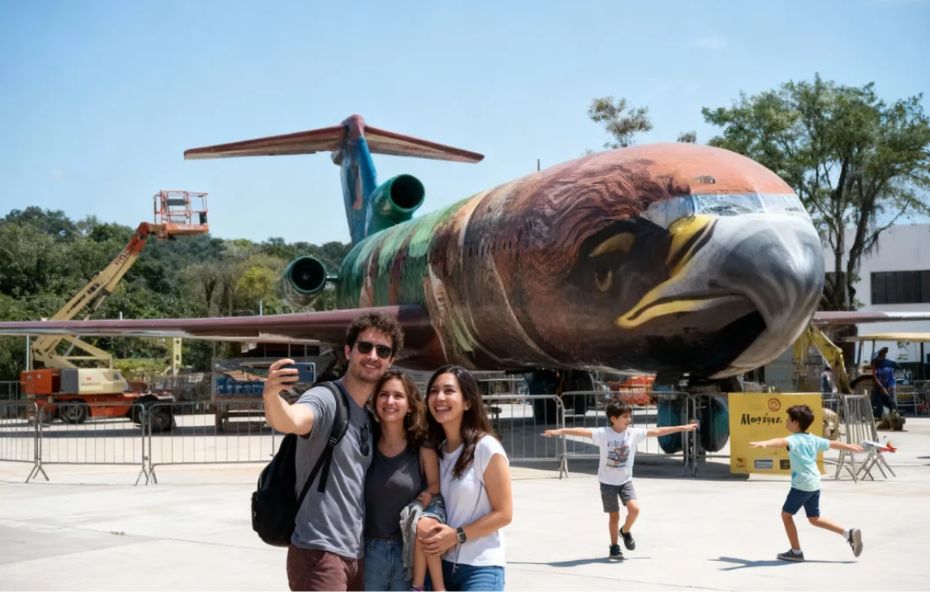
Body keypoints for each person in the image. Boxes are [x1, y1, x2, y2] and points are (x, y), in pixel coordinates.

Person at [262, 311, 404, 591]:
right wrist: (271, 397)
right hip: (319, 553)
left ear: (391, 360)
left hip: (355, 554)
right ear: (349, 351)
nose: (372, 356)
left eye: (382, 350)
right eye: (365, 347)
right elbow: (292, 419)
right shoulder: (327, 399)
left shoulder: (367, 416)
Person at [543, 398, 697, 561]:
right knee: (614, 516)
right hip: (607, 482)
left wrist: (682, 428)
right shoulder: (603, 434)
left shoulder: (633, 433)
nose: (629, 420)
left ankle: (625, 531)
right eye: (625, 417)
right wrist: (560, 431)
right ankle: (614, 546)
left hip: (625, 481)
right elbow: (582, 431)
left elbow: (657, 431)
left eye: (629, 416)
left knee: (634, 509)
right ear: (613, 419)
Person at [418, 365, 512, 591]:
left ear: (467, 402)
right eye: (434, 391)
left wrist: (456, 536)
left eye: (449, 391)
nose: (440, 397)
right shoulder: (436, 452)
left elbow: (504, 514)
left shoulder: (486, 448)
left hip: (480, 567)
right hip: (442, 566)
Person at [363, 369, 447, 591]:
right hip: (370, 553)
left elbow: (436, 485)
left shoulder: (422, 447)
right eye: (383, 394)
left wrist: (428, 494)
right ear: (374, 401)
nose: (390, 401)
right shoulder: (365, 444)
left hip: (408, 554)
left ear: (410, 405)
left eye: (398, 396)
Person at [750, 404, 865, 562]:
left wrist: (766, 443)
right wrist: (849, 446)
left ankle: (796, 552)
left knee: (786, 515)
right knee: (814, 518)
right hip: (814, 483)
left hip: (802, 485)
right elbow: (832, 444)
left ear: (796, 422)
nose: (786, 421)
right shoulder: (813, 438)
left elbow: (781, 441)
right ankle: (848, 533)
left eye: (788, 419)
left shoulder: (794, 439)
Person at [870, 347, 900, 419]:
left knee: (892, 404)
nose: (884, 356)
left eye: (884, 354)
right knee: (877, 406)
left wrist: (889, 387)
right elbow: (875, 377)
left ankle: (894, 415)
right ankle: (877, 416)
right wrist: (881, 387)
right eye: (882, 354)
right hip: (879, 388)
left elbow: (891, 377)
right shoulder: (875, 363)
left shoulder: (888, 364)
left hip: (888, 387)